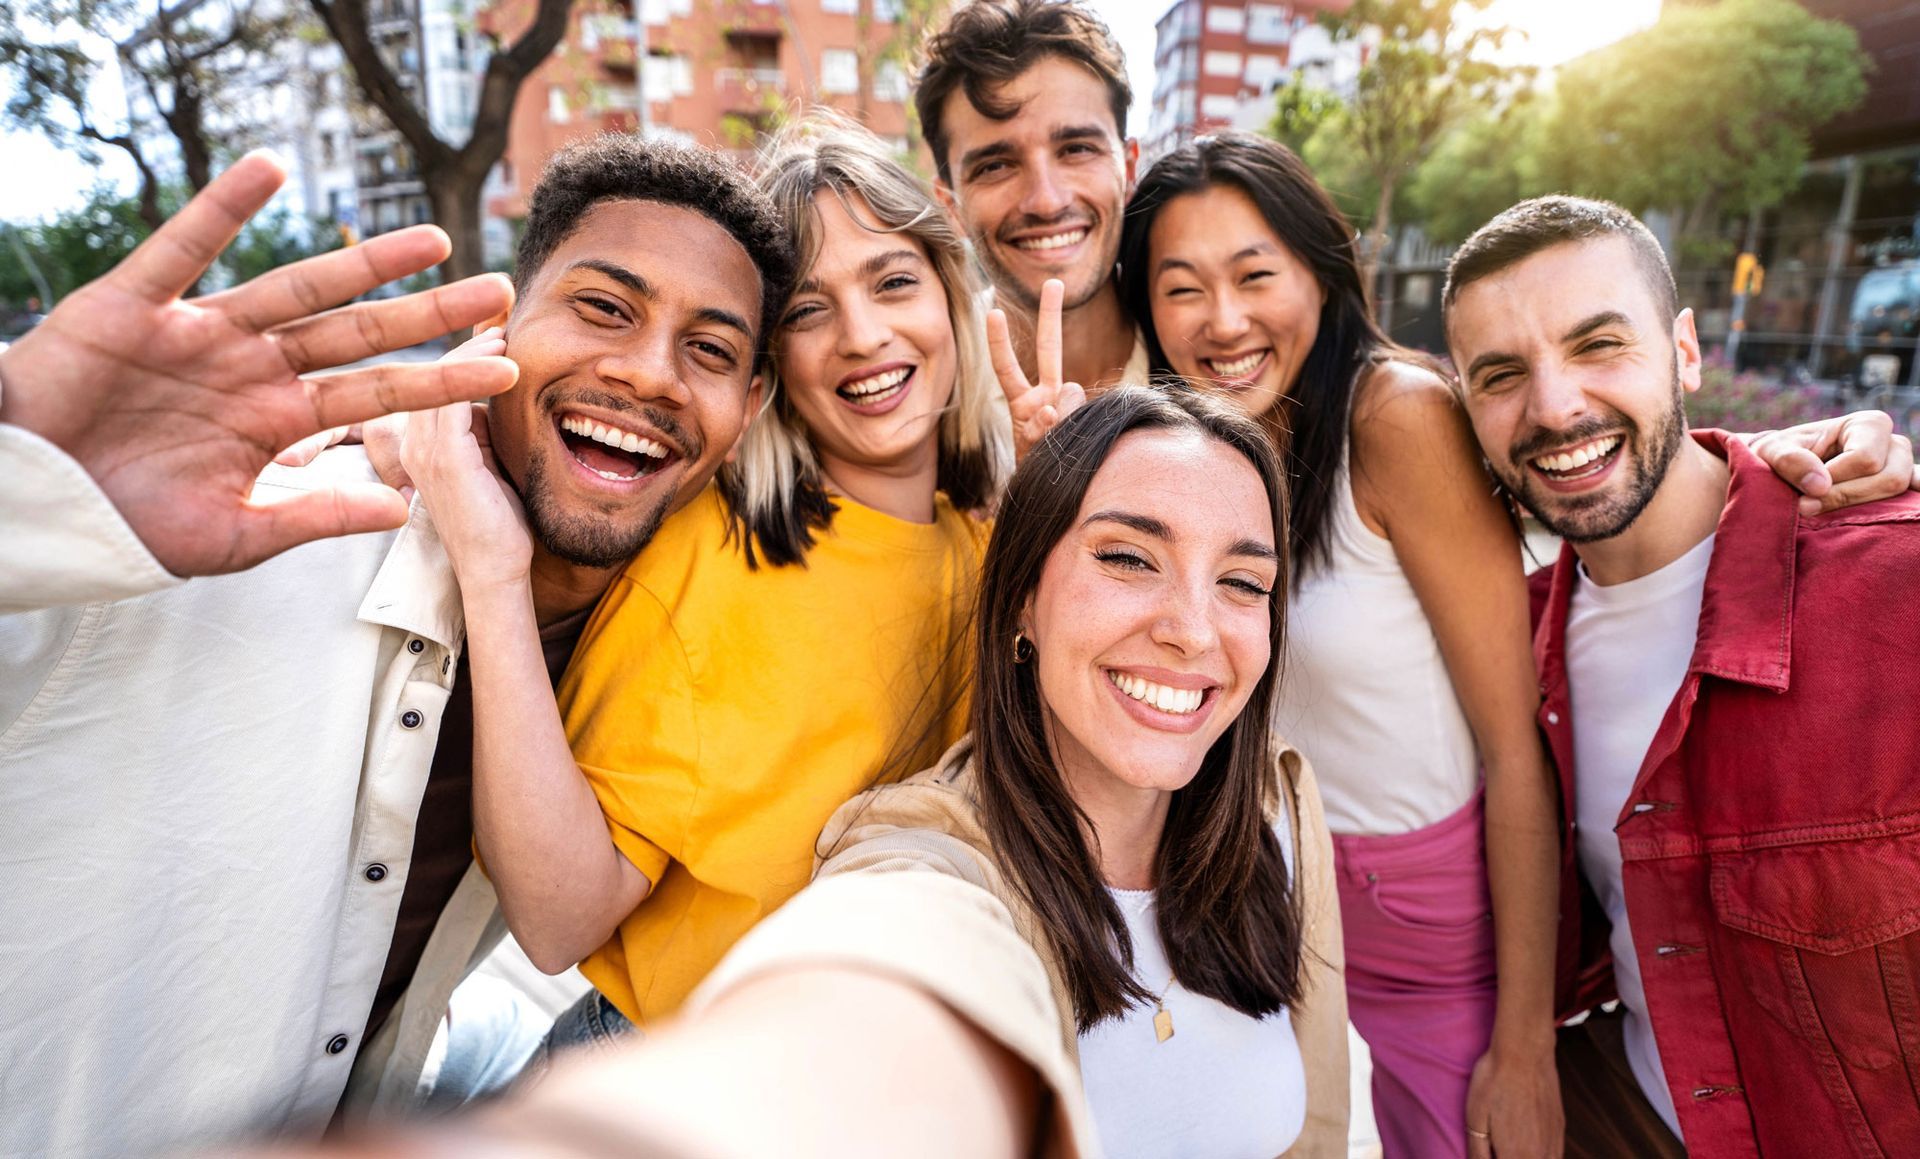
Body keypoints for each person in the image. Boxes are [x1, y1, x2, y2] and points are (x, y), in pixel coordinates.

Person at [267, 385, 1345, 1159]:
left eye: (1241, 582)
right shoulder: (931, 868)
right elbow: (859, 1021)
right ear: (1018, 599)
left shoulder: (1279, 813)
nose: (1191, 629)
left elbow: (1314, 1125)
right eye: (1127, 557)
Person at [0, 136, 794, 1157]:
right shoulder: (214, 538)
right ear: (498, 324)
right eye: (603, 307)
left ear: (751, 411)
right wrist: (24, 468)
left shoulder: (640, 666)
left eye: (712, 351)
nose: (649, 372)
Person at [402, 116, 1010, 1053]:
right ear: (769, 378)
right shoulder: (711, 550)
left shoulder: (986, 547)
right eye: (809, 310)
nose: (863, 335)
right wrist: (485, 562)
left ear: (951, 301)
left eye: (894, 282)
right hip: (669, 1058)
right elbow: (560, 918)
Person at [1108, 130, 1560, 1158]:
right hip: (1270, 893)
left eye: (1254, 273)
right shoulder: (1206, 453)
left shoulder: (1397, 418)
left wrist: (1525, 1046)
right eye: (1181, 288)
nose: (1223, 320)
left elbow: (1514, 745)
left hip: (1437, 915)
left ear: (1322, 266)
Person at [1445, 194, 1920, 1158]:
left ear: (1686, 351)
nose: (1554, 406)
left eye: (1598, 344)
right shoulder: (1514, 643)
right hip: (1646, 1114)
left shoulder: (1891, 585)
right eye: (1501, 375)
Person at [914, 0, 1145, 445]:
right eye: (996, 166)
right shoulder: (919, 397)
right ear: (951, 204)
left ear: (1129, 168)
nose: (1046, 200)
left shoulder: (1205, 365)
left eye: (1077, 149)